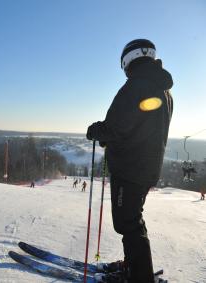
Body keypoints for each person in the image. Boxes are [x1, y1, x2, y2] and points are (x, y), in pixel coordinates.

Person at [86, 39, 173, 283]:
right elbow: (138, 127)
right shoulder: (162, 89)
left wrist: (96, 131)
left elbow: (117, 127)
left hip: (130, 168)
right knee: (133, 219)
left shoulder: (136, 86)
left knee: (128, 223)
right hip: (145, 167)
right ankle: (135, 266)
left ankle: (139, 277)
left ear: (127, 60)